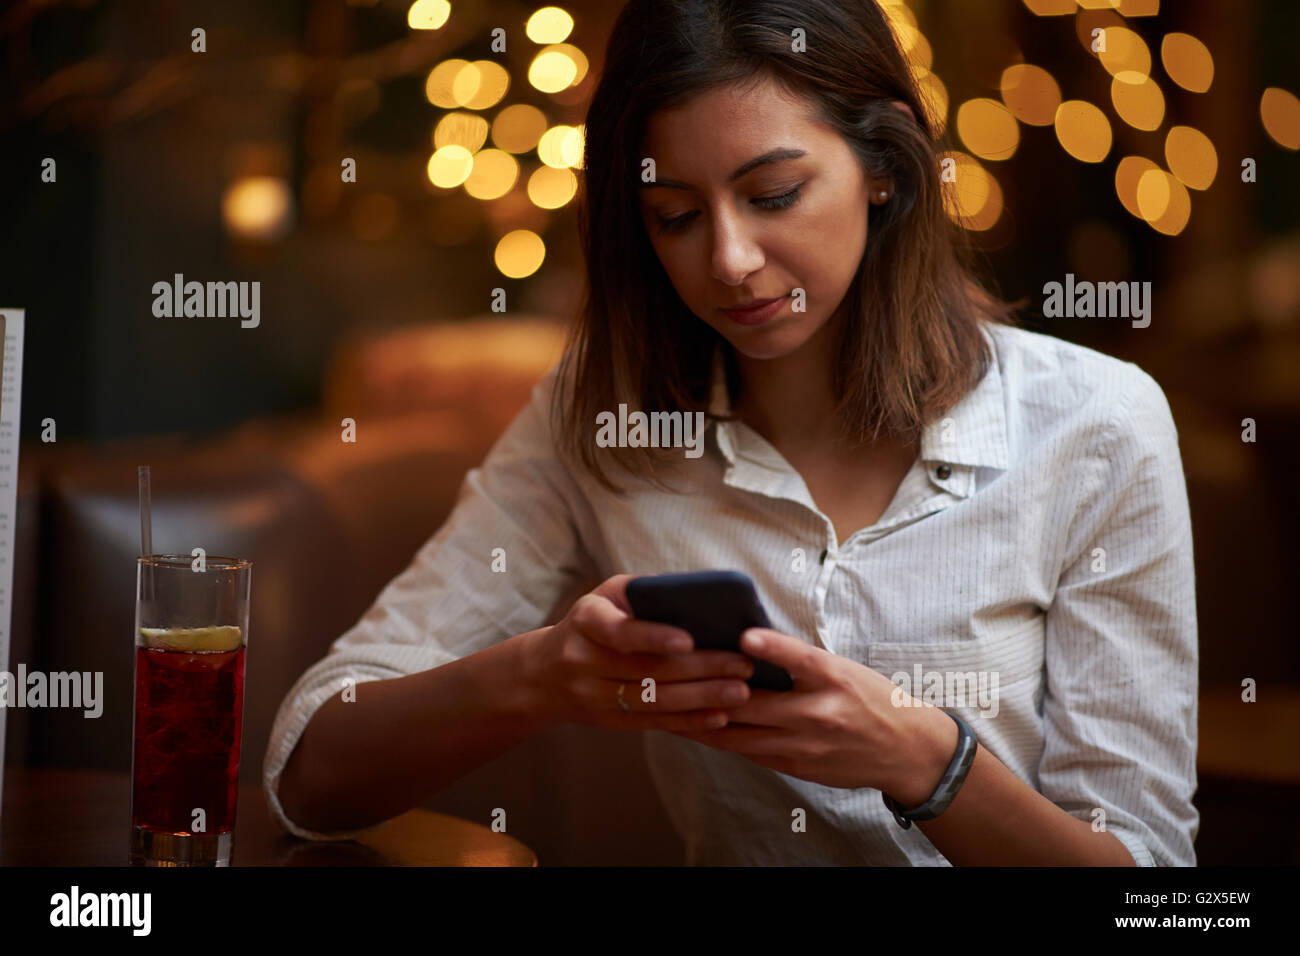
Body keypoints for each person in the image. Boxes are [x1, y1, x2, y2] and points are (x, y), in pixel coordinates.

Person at [266, 0, 1198, 866]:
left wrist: (928, 761)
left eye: (775, 194)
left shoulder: (1094, 425)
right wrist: (543, 676)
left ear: (885, 166)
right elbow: (310, 770)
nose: (729, 261)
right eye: (674, 216)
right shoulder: (603, 423)